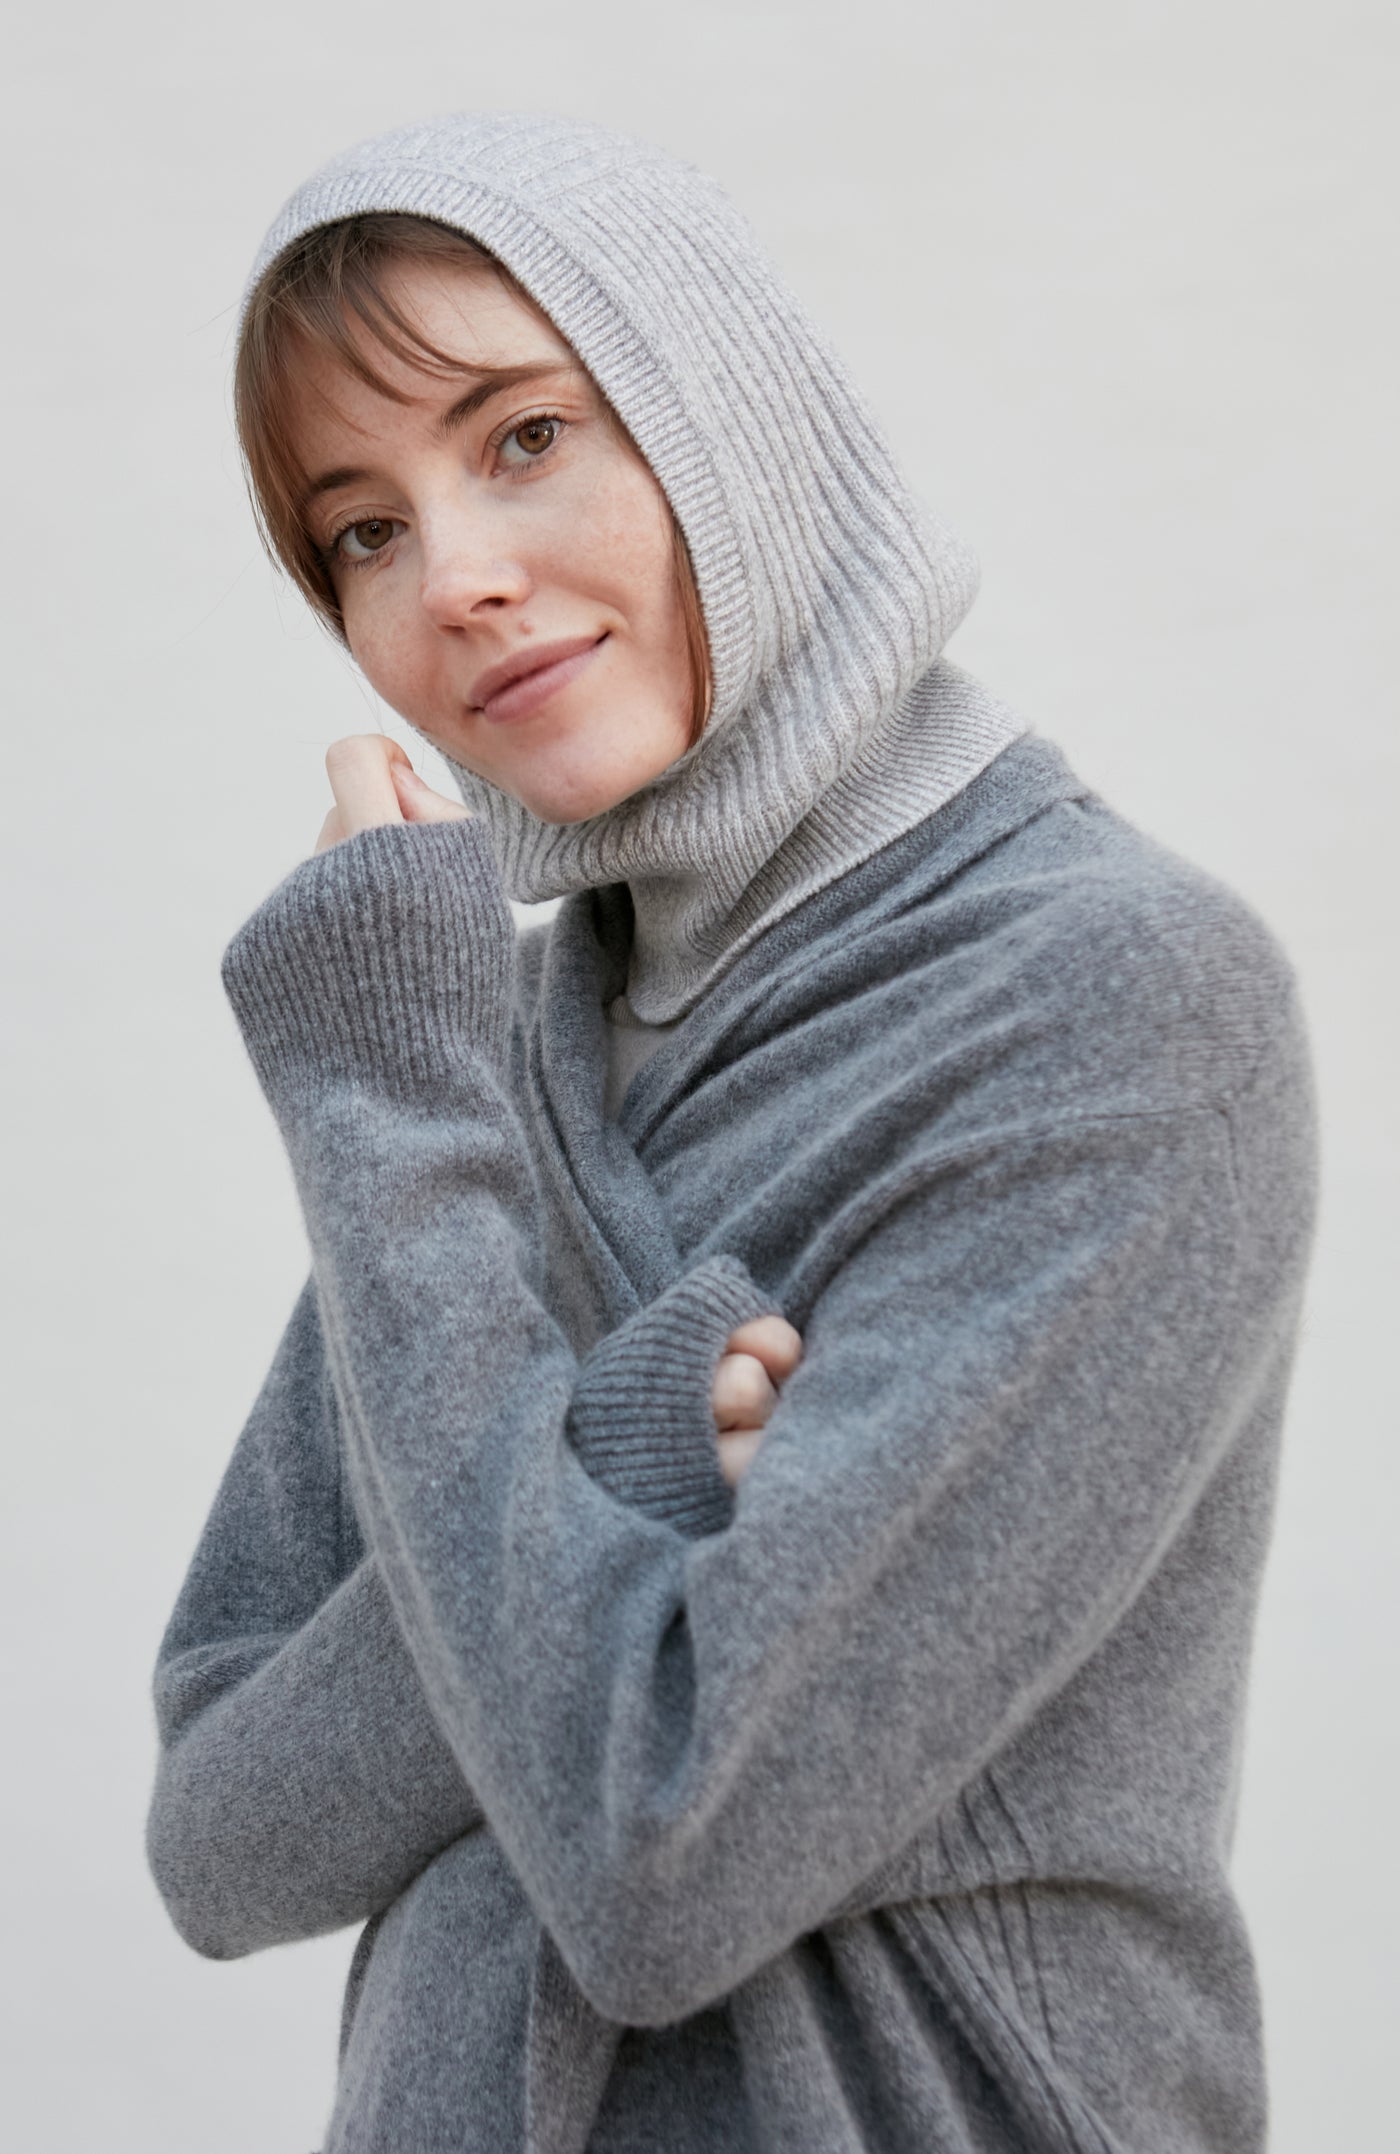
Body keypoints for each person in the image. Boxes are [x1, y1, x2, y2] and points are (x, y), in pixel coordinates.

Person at [144, 112, 1317, 2154]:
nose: (456, 579)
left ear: (724, 418)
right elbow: (217, 1832)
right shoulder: (493, 1055)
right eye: (363, 533)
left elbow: (658, 1851)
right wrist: (609, 1457)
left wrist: (387, 1106)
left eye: (522, 435)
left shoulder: (1115, 1001)